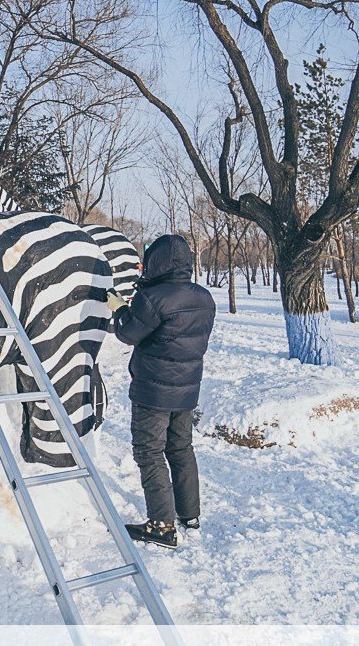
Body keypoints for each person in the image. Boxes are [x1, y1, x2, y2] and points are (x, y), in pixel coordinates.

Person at [106, 234, 215, 549]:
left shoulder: (153, 298)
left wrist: (118, 307)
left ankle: (162, 526)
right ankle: (189, 515)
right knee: (181, 449)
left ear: (158, 261)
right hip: (187, 390)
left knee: (149, 452)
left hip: (153, 392)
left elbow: (128, 333)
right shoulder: (204, 297)